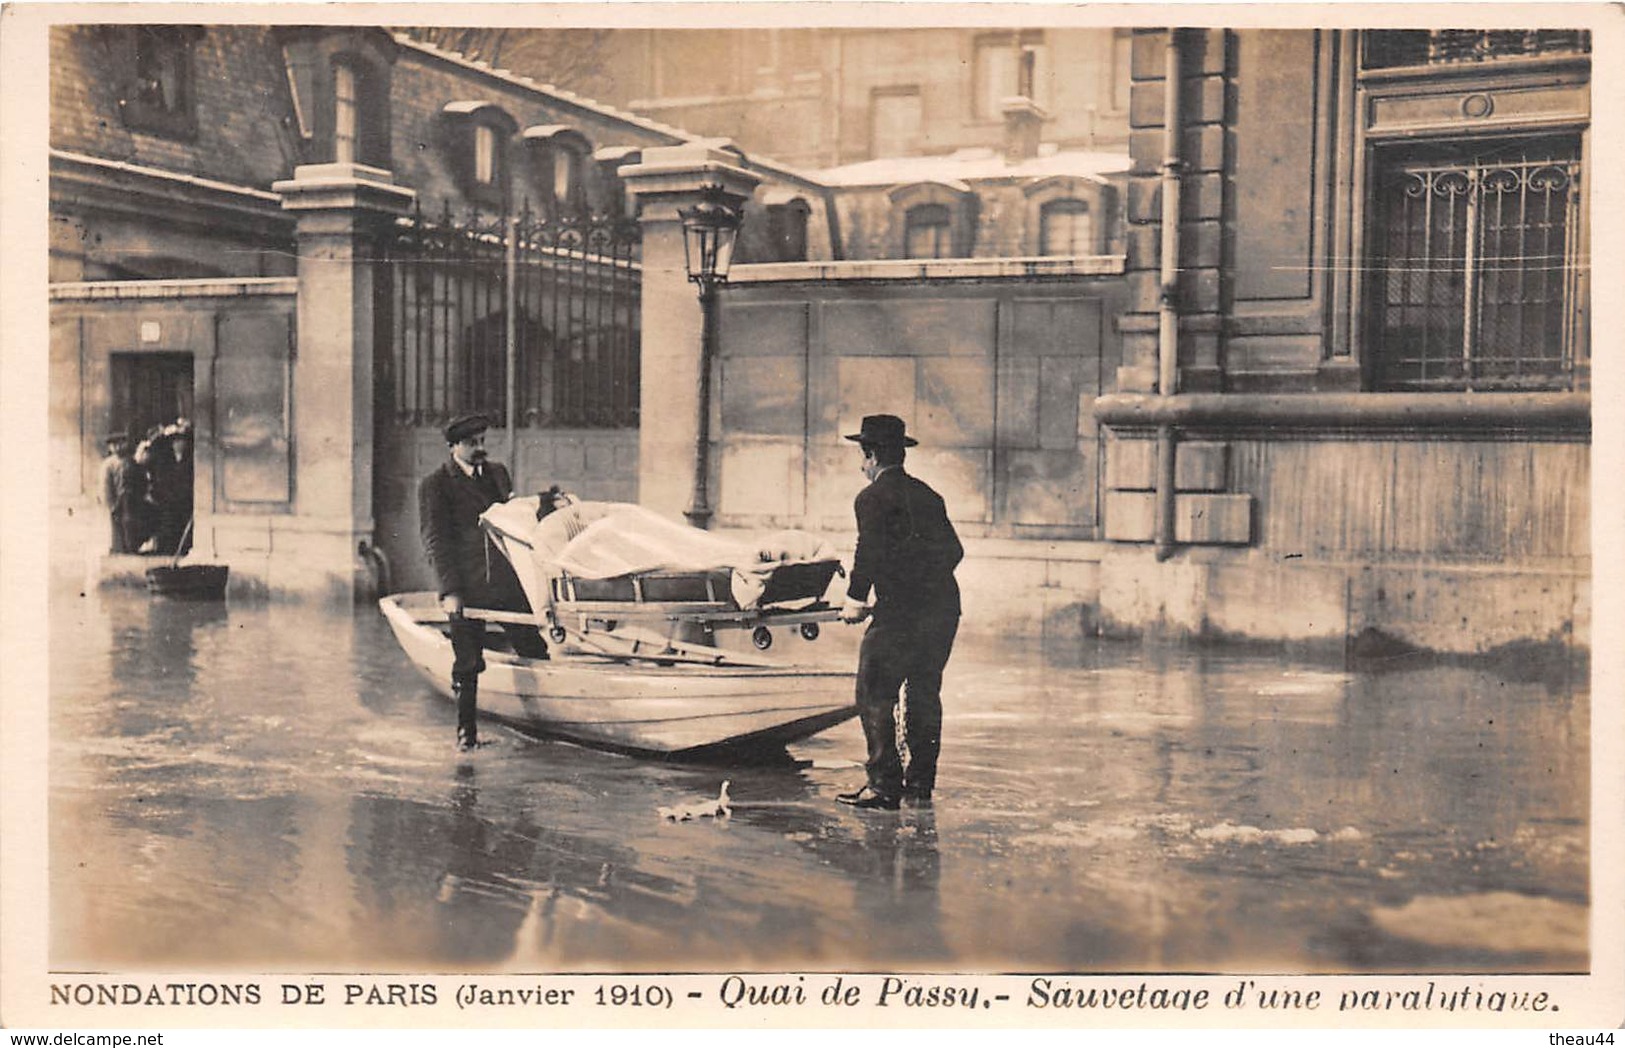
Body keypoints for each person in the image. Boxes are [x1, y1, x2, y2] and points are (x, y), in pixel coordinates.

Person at [835, 415, 963, 810]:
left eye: (863, 456)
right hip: (942, 609)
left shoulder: (870, 498)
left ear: (871, 455)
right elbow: (955, 551)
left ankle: (882, 785)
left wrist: (855, 600)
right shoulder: (929, 495)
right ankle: (919, 785)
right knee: (925, 694)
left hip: (899, 613)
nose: (862, 465)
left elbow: (868, 553)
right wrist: (923, 579)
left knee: (874, 693)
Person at [419, 412, 551, 750]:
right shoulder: (436, 485)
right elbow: (436, 541)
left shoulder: (497, 474)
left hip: (507, 581)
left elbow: (516, 519)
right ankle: (467, 735)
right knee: (467, 661)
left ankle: (547, 721)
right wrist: (450, 592)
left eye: (482, 442)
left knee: (535, 648)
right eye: (471, 443)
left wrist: (546, 505)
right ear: (453, 446)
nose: (479, 448)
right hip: (467, 586)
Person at [99, 432, 148, 553]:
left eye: (120, 444)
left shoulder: (130, 461)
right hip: (116, 501)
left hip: (130, 500)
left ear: (125, 444)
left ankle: (131, 547)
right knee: (116, 528)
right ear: (110, 447)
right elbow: (106, 486)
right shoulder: (108, 464)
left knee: (130, 524)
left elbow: (140, 480)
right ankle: (118, 549)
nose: (117, 447)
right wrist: (111, 504)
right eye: (114, 445)